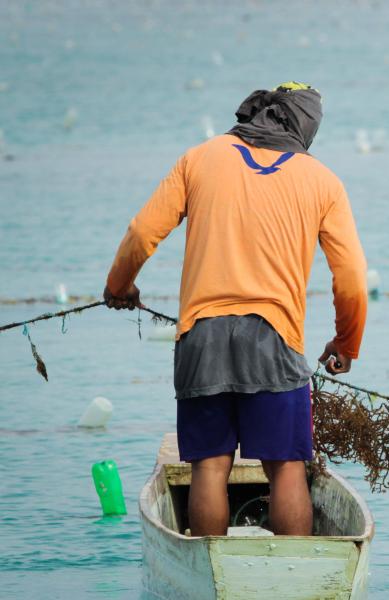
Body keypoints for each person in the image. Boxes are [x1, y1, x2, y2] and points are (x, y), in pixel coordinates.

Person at [103, 82, 368, 536]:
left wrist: (119, 286)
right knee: (286, 467)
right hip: (275, 338)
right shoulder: (322, 181)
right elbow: (352, 280)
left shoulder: (200, 158)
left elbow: (142, 231)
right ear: (305, 127)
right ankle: (293, 575)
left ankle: (207, 569)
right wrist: (346, 342)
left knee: (209, 466)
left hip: (201, 337)